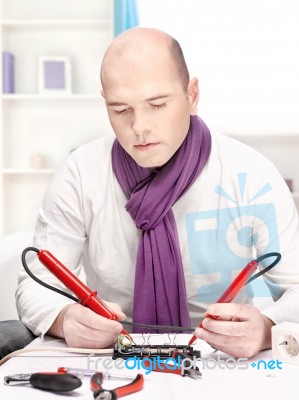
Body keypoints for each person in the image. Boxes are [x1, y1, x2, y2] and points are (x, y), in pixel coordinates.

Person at [15, 27, 299, 359]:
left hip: (221, 358)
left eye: (157, 105)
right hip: (114, 354)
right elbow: (34, 286)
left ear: (192, 95)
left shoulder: (251, 172)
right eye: (121, 110)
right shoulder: (79, 173)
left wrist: (265, 329)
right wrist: (65, 320)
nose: (139, 127)